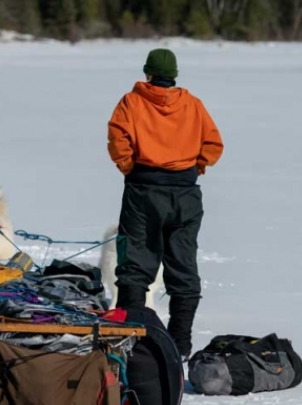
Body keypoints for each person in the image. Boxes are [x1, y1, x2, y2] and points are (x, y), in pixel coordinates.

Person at [107, 48, 224, 359]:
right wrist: (195, 167)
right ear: (173, 75)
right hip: (185, 194)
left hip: (143, 191)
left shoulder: (132, 102)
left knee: (135, 262)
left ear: (148, 73)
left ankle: (132, 340)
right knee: (183, 265)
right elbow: (213, 144)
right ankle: (180, 343)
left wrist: (130, 167)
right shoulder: (193, 105)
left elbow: (117, 138)